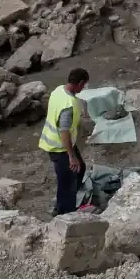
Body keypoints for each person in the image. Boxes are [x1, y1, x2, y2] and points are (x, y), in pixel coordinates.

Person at [38, 67, 90, 216]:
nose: (84, 88)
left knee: (80, 169)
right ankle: (64, 213)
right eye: (84, 85)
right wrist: (71, 156)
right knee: (66, 181)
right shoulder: (68, 104)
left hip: (60, 143)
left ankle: (69, 200)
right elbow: (64, 131)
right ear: (80, 83)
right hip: (59, 147)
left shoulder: (58, 90)